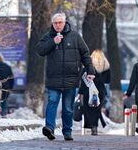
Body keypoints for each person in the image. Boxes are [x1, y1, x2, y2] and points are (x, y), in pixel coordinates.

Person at [36, 12, 95, 141]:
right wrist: (53, 42)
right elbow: (40, 50)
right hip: (53, 78)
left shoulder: (75, 36)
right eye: (55, 23)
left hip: (71, 78)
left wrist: (90, 70)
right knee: (52, 102)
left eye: (60, 22)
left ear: (64, 22)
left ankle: (67, 131)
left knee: (68, 108)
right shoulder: (48, 36)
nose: (58, 25)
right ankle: (49, 128)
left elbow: (85, 54)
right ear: (52, 24)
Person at [78, 49, 111, 136]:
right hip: (100, 90)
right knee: (97, 109)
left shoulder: (88, 66)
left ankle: (90, 126)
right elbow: (108, 80)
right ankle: (94, 127)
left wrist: (80, 92)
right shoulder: (106, 66)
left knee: (88, 109)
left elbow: (82, 79)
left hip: (88, 90)